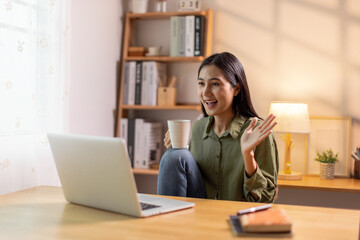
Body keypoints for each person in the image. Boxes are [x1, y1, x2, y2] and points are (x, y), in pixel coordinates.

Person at [157, 52, 279, 203]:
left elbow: (267, 199)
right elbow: (192, 179)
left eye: (215, 84)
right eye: (201, 83)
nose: (206, 93)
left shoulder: (258, 132)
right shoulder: (198, 128)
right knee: (173, 156)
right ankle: (165, 220)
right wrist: (178, 151)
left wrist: (248, 156)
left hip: (236, 217)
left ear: (236, 89)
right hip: (199, 214)